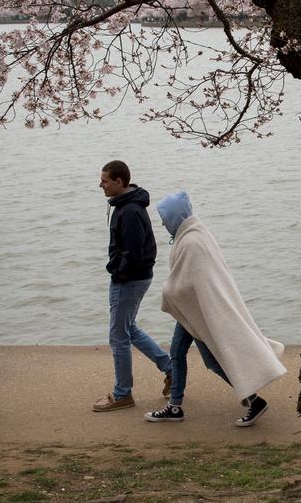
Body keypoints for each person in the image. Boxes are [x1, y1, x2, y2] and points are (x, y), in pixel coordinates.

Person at [144, 191, 286, 426]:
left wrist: (169, 292)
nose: (162, 223)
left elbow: (191, 281)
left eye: (164, 218)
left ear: (174, 217)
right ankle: (175, 406)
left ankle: (254, 400)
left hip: (200, 311)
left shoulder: (191, 241)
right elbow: (192, 279)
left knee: (212, 360)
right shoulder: (195, 233)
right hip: (193, 309)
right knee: (177, 353)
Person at [94, 160, 173, 412]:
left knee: (118, 337)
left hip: (129, 279)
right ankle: (171, 368)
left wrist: (118, 272)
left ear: (119, 182)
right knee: (129, 329)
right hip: (135, 277)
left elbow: (135, 252)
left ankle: (122, 394)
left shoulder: (128, 211)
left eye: (105, 181)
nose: (101, 185)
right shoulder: (125, 205)